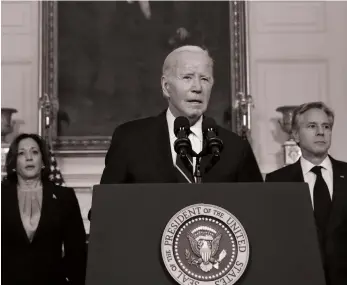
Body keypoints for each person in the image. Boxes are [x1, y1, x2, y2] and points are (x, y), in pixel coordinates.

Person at [100, 45, 263, 184]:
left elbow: (256, 211)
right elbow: (105, 211)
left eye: (205, 79)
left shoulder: (236, 148)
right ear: (166, 87)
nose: (197, 88)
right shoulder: (130, 140)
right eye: (187, 77)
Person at [265, 102, 347, 285]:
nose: (321, 132)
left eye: (326, 126)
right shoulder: (277, 181)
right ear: (295, 135)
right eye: (312, 126)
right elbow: (275, 240)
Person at [1, 133, 87, 285]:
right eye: (22, 153)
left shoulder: (64, 197)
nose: (29, 157)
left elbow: (77, 251)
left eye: (34, 152)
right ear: (14, 163)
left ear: (43, 161)